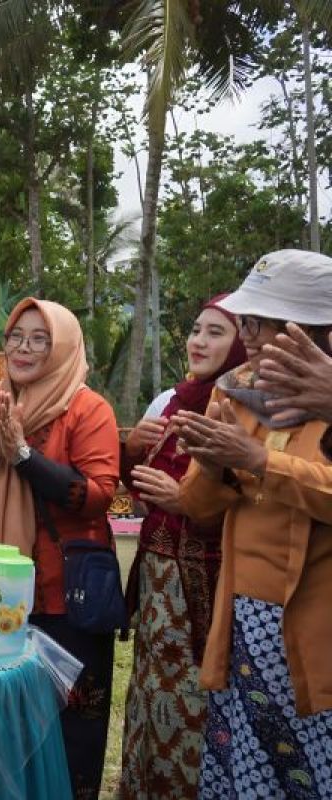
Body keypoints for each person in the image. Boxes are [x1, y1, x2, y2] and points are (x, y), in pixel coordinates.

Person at [0, 298, 120, 800]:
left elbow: (97, 494)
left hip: (66, 597)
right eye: (17, 336)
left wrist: (26, 457)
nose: (24, 348)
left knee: (70, 729)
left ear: (61, 348)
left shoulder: (87, 409)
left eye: (40, 339)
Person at [173, 249, 332, 799]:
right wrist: (217, 463)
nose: (253, 335)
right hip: (244, 623)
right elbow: (200, 506)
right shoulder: (237, 390)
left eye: (268, 322)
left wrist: (260, 461)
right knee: (248, 774)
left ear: (317, 330)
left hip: (313, 632)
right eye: (250, 322)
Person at [116, 295, 247, 799]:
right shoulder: (171, 403)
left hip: (207, 590)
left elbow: (254, 499)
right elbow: (141, 491)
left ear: (241, 345)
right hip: (157, 587)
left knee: (200, 702)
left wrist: (187, 501)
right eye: (196, 330)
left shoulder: (249, 409)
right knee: (151, 696)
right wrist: (132, 453)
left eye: (217, 332)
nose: (199, 341)